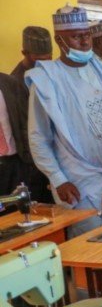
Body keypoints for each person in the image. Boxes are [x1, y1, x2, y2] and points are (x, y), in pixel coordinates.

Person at [26, 4, 102, 236]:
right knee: (92, 244)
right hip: (80, 182)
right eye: (76, 37)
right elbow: (38, 138)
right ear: (59, 40)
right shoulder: (46, 81)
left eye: (86, 35)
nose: (85, 42)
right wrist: (58, 179)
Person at [0, 27, 54, 203]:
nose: (44, 63)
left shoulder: (10, 83)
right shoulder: (17, 81)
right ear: (25, 53)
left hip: (27, 162)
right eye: (39, 59)